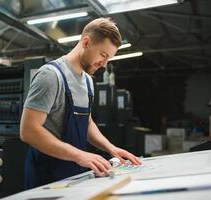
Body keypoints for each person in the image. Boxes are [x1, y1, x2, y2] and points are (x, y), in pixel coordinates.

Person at [20, 17, 141, 189]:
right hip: (46, 174)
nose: (104, 64)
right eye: (103, 55)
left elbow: (87, 122)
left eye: (109, 59)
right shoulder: (51, 76)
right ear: (86, 42)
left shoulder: (88, 82)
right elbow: (28, 131)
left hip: (73, 170)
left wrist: (110, 148)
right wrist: (79, 155)